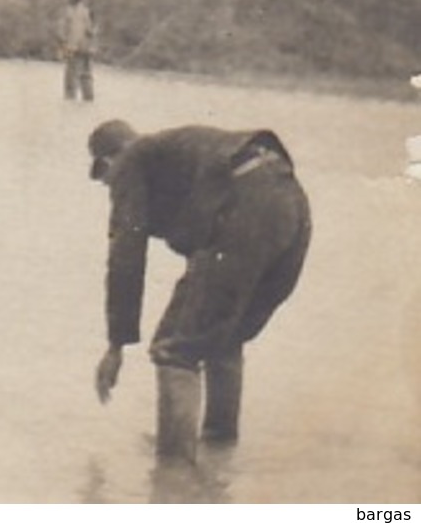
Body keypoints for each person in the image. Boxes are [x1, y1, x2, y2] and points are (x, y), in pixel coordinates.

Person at [87, 120, 312, 462]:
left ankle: (173, 475)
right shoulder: (172, 156)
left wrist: (116, 344)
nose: (111, 189)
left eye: (105, 181)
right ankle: (218, 454)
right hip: (292, 205)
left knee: (175, 348)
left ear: (108, 162)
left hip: (247, 209)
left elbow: (125, 257)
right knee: (222, 334)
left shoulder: (130, 161)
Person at [58, 0, 96, 101]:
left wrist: (68, 48)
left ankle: (71, 104)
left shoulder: (70, 12)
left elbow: (74, 32)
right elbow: (90, 31)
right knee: (86, 77)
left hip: (75, 49)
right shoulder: (86, 11)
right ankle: (88, 103)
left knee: (71, 80)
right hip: (87, 49)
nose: (67, 0)